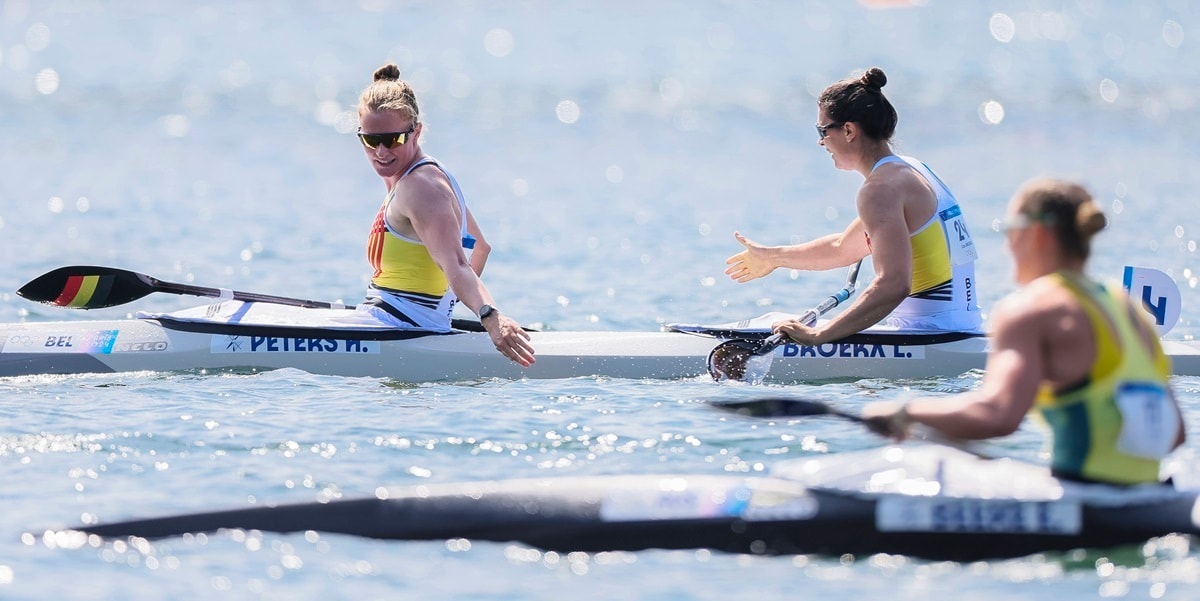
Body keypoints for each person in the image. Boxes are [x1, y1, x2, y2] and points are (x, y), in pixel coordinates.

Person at [863, 178, 1185, 485]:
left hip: (1086, 501)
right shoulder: (1129, 309)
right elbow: (1176, 434)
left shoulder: (1032, 309)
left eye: (1009, 230)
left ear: (1038, 235)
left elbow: (997, 415)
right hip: (1152, 498)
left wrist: (904, 412)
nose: (1006, 246)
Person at [724, 67, 981, 344]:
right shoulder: (913, 169)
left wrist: (818, 335)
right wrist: (772, 257)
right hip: (958, 329)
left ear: (848, 130)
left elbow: (894, 284)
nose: (820, 141)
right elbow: (843, 248)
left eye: (822, 130)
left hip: (931, 336)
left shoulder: (881, 190)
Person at [355, 63, 535, 367]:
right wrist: (441, 308)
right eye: (371, 140)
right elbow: (480, 247)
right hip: (398, 322)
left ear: (417, 132)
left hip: (398, 328)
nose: (381, 152)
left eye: (393, 140)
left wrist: (491, 318)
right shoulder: (427, 176)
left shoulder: (420, 188)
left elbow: (458, 265)